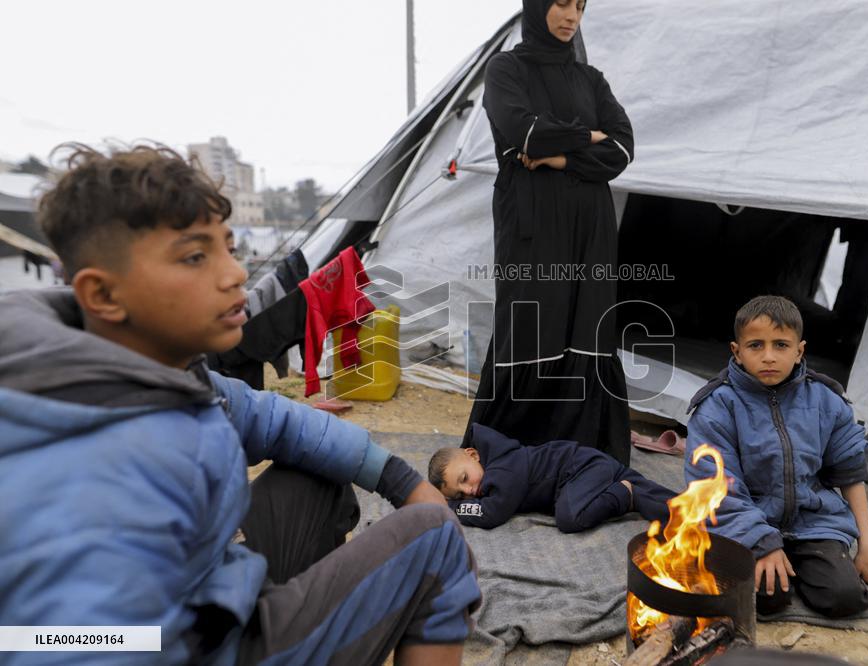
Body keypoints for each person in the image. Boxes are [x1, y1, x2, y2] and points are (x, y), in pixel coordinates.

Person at [0, 145, 480, 665]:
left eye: (228, 248)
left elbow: (266, 417)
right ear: (104, 295)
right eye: (194, 257)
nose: (233, 275)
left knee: (316, 476)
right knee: (435, 543)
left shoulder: (154, 364)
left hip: (210, 595)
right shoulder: (92, 466)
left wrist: (399, 480)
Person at [463, 0, 636, 465]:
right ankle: (511, 452)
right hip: (532, 221)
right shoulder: (506, 69)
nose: (571, 15)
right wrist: (588, 136)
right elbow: (526, 132)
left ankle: (582, 452)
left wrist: (560, 157)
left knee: (587, 322)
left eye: (580, 5)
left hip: (590, 223)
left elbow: (623, 147)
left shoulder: (591, 78)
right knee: (532, 321)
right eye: (561, 2)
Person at [684, 295, 868, 618]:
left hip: (813, 524)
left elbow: (850, 473)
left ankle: (804, 569)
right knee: (766, 600)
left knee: (844, 598)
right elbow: (717, 491)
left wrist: (866, 547)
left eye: (781, 345)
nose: (768, 356)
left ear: (800, 350)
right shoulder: (717, 407)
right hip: (747, 524)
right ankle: (777, 570)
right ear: (737, 352)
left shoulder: (826, 401)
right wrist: (762, 542)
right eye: (756, 345)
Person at [430, 423, 675, 532]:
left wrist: (451, 506)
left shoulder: (504, 470)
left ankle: (625, 494)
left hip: (583, 467)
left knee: (570, 518)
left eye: (464, 478)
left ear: (472, 455)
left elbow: (491, 513)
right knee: (670, 505)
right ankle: (696, 512)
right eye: (460, 494)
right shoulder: (492, 471)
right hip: (580, 476)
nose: (469, 491)